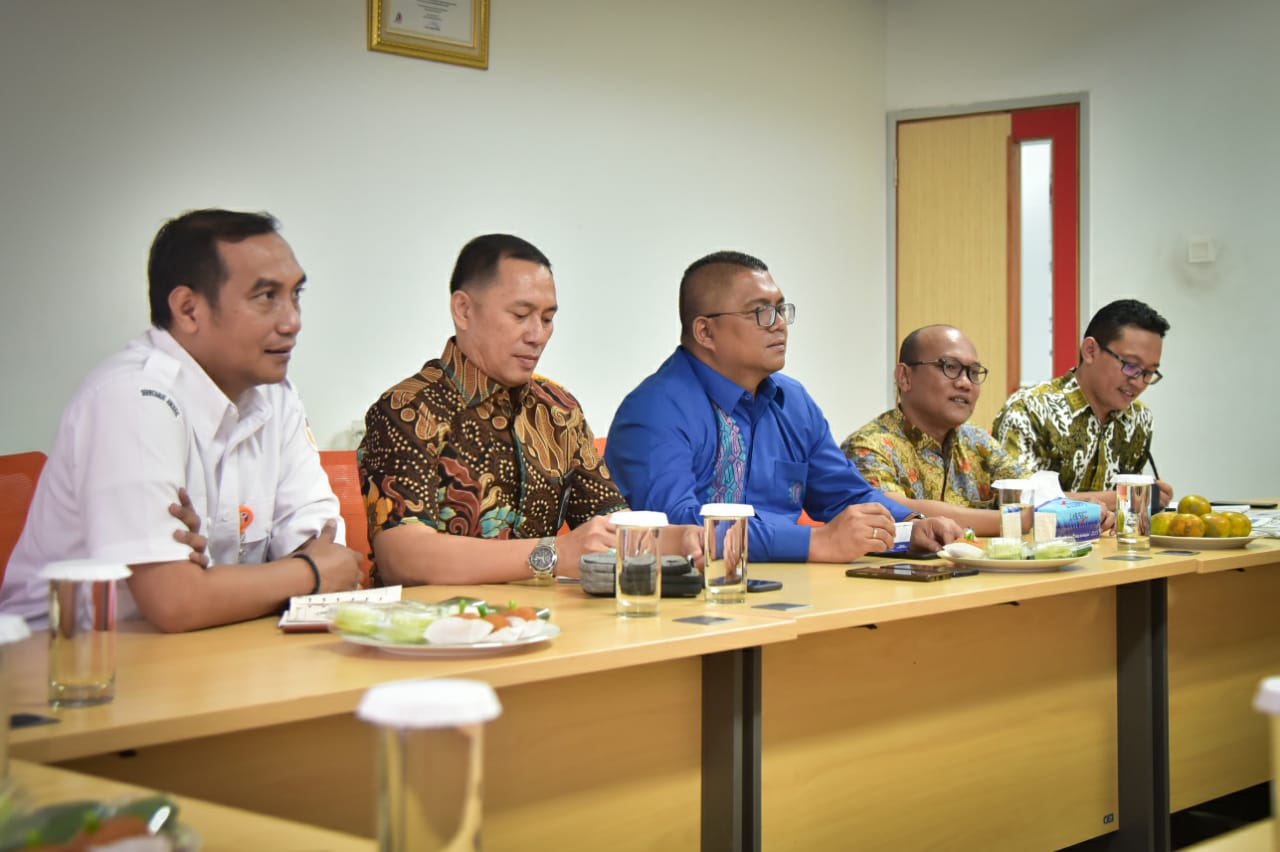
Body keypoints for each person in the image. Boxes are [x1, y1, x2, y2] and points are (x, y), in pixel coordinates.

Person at [0, 209, 362, 633]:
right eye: (266, 297)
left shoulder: (275, 395)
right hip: (60, 657)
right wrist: (307, 573)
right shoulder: (133, 397)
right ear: (189, 309)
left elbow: (331, 557)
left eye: (295, 294)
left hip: (203, 646)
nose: (293, 321)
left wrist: (266, 578)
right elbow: (177, 603)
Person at [358, 234, 700, 586]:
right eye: (521, 315)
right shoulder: (409, 409)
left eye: (547, 319)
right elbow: (402, 557)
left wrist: (685, 539)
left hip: (543, 615)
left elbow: (612, 528)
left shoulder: (558, 410)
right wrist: (553, 553)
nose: (537, 335)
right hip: (435, 618)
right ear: (463, 310)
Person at [605, 250, 963, 563]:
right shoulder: (654, 410)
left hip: (789, 586)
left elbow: (846, 493)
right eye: (760, 312)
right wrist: (815, 542)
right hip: (690, 597)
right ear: (705, 332)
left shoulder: (793, 402)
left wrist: (909, 526)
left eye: (780, 309)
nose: (779, 325)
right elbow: (676, 526)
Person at [841, 325, 1029, 536]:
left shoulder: (977, 441)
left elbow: (1035, 493)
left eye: (974, 372)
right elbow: (889, 509)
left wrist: (1040, 506)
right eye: (950, 367)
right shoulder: (868, 446)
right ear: (904, 377)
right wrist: (1015, 521)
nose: (965, 383)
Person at [992, 298, 1173, 509]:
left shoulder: (1139, 417)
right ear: (1090, 351)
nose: (1139, 382)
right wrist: (1126, 497)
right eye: (1131, 365)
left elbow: (1130, 515)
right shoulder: (1030, 410)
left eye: (1149, 372)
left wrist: (1151, 498)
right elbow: (1016, 500)